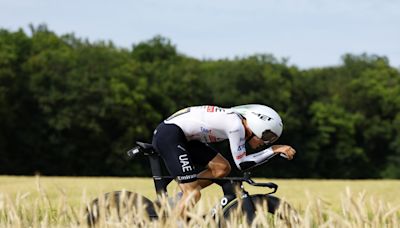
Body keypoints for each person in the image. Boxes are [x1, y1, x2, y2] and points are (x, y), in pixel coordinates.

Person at [152, 104, 296, 216]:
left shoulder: (236, 121)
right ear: (257, 124)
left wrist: (272, 150)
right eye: (267, 136)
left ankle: (179, 200)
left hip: (183, 136)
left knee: (221, 168)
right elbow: (242, 164)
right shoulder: (236, 126)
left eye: (272, 140)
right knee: (193, 193)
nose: (266, 142)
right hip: (170, 134)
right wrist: (273, 150)